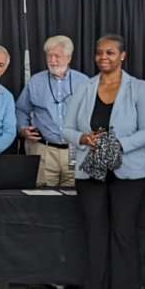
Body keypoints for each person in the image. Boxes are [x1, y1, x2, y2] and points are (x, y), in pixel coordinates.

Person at [63, 35, 145, 289]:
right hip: (90, 172)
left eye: (110, 52)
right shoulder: (85, 87)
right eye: (99, 52)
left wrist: (119, 144)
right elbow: (65, 128)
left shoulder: (138, 88)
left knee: (124, 236)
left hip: (129, 173)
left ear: (122, 56)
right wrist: (83, 137)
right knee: (94, 237)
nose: (103, 57)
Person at [16, 35, 90, 187]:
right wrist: (23, 129)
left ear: (68, 57)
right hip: (44, 151)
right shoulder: (35, 82)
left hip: (76, 151)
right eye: (49, 55)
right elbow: (21, 110)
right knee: (43, 200)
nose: (52, 60)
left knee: (75, 199)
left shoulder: (84, 82)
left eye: (57, 56)